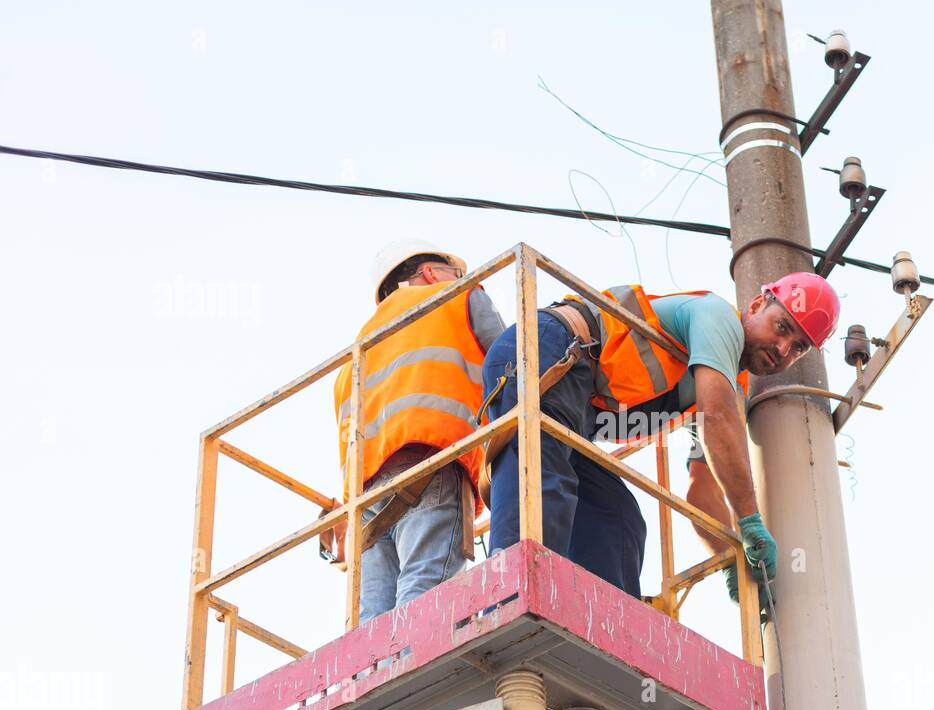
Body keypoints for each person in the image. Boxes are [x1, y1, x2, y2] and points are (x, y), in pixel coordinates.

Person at [480, 273, 839, 604]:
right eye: (782, 328)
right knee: (543, 479)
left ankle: (599, 626)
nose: (782, 348)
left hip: (572, 405)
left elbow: (704, 491)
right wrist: (749, 521)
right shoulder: (718, 319)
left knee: (617, 519)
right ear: (758, 305)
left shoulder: (723, 384)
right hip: (549, 349)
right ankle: (512, 596)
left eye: (798, 348)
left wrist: (731, 561)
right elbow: (717, 418)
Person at [332, 239, 504, 624]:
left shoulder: (359, 349)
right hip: (434, 463)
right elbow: (513, 360)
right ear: (431, 272)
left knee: (371, 619)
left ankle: (370, 682)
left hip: (366, 497)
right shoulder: (457, 295)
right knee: (425, 593)